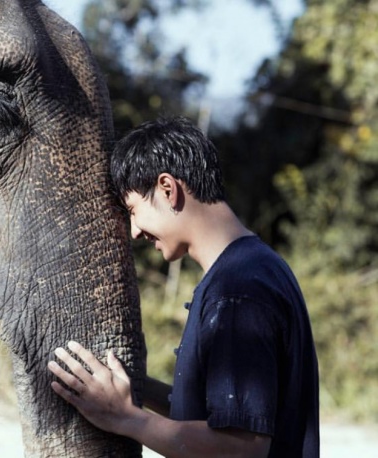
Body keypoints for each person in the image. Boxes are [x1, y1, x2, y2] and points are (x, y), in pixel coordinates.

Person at [47, 117, 320, 457]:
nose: (134, 231)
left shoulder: (237, 291)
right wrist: (138, 388)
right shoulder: (257, 267)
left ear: (167, 189)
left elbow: (239, 447)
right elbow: (214, 413)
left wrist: (125, 418)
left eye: (133, 210)